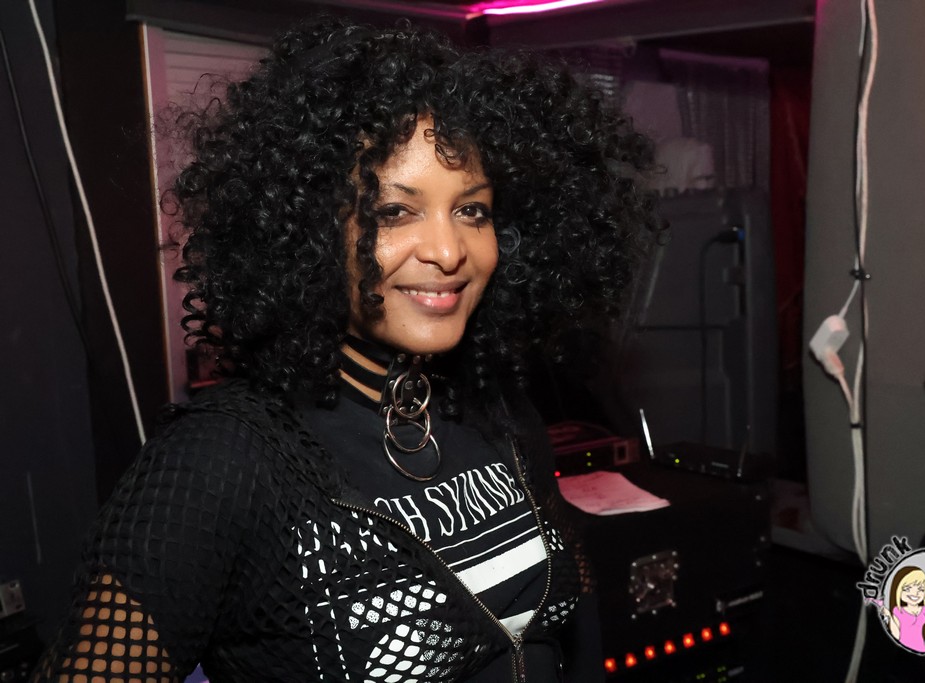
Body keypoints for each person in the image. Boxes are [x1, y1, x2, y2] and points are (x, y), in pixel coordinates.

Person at [33, 14, 655, 683]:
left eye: (471, 210)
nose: (449, 251)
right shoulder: (221, 463)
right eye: (394, 211)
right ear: (307, 229)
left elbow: (572, 623)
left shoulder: (499, 411)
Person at [877, 566, 925, 653]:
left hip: (921, 650)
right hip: (902, 652)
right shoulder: (897, 611)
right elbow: (897, 635)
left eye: (921, 589)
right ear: (898, 590)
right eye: (907, 589)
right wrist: (889, 616)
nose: (915, 593)